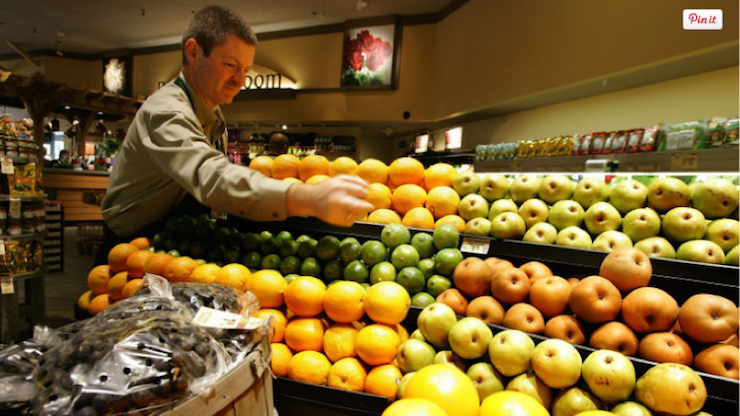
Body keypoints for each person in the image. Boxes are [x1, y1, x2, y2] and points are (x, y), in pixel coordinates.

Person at [99, 5, 372, 264]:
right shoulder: (166, 112)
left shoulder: (212, 112)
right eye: (230, 65)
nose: (241, 80)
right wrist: (309, 198)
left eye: (245, 69)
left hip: (175, 236)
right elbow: (210, 176)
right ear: (193, 53)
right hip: (130, 247)